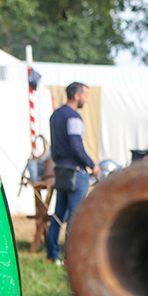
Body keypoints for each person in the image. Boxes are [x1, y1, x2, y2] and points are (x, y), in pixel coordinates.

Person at [46, 82, 100, 264]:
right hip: (76, 172)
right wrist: (93, 165)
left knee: (58, 214)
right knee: (76, 217)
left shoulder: (55, 116)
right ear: (76, 96)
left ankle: (51, 256)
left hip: (60, 169)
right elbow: (76, 146)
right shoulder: (73, 117)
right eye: (86, 95)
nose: (87, 99)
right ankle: (71, 258)